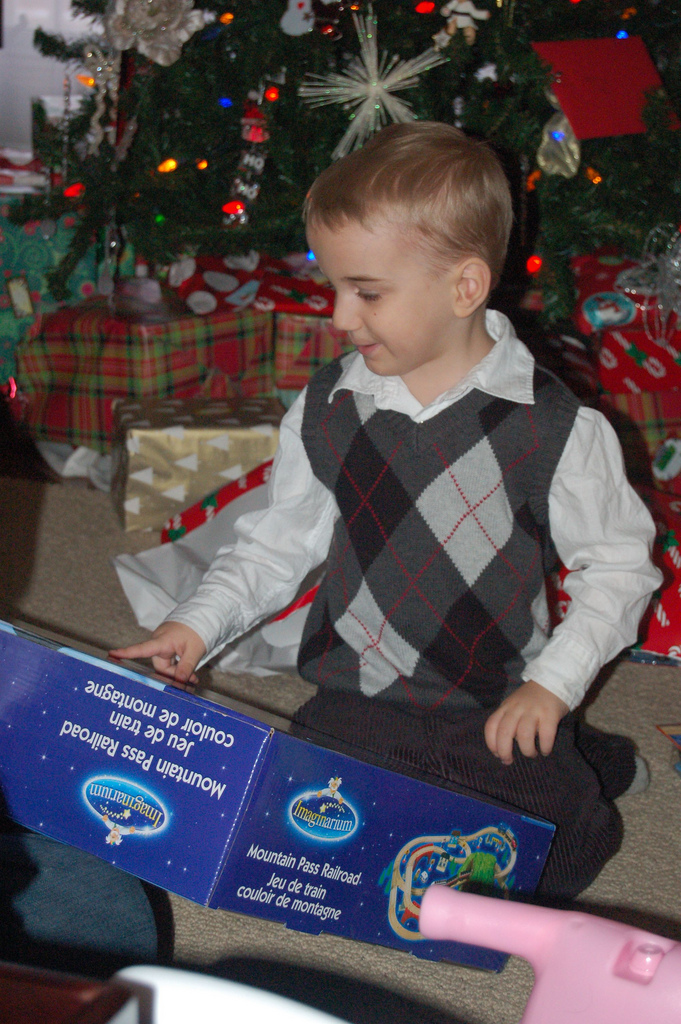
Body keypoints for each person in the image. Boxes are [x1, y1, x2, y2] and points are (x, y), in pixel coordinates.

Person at [112, 122, 661, 899]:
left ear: (464, 287)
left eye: (366, 293)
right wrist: (196, 624)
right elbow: (275, 545)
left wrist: (552, 683)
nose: (339, 317)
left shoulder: (554, 428)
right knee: (299, 841)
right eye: (333, 287)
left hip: (492, 697)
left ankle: (584, 757)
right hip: (358, 692)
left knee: (549, 861)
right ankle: (564, 744)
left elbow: (617, 568)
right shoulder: (328, 406)